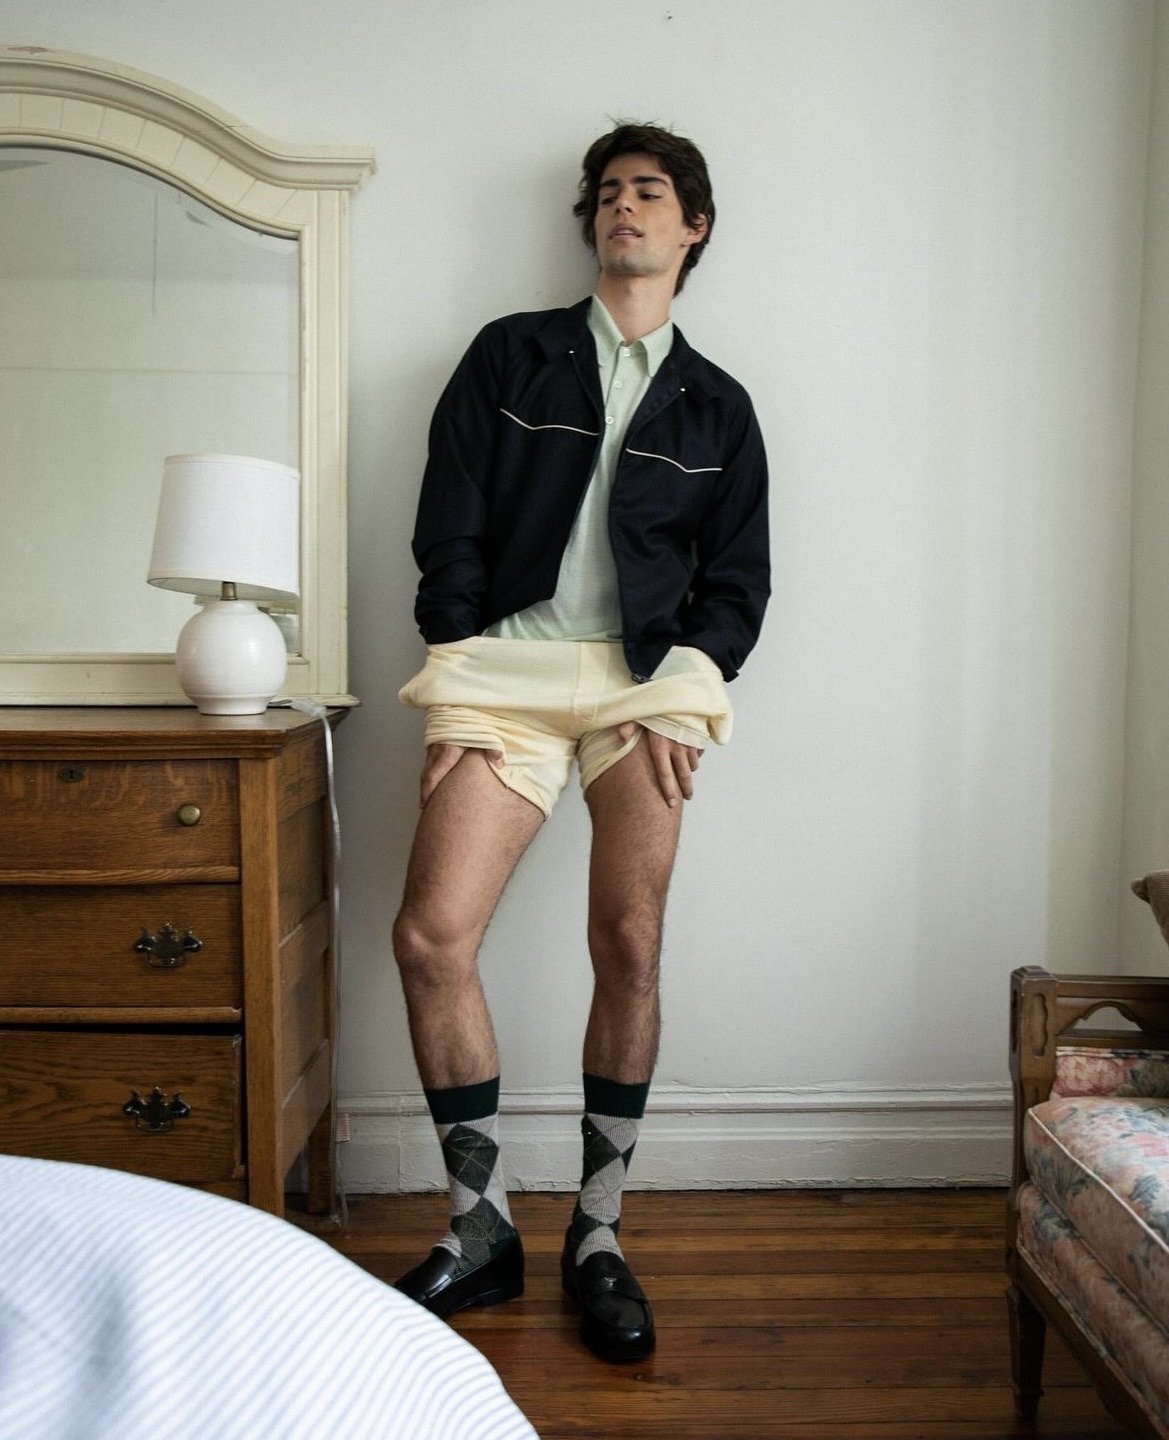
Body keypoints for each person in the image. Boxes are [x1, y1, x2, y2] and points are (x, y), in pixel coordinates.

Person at [392, 122, 770, 1363]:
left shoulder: (717, 405)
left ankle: (596, 1234)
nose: (624, 207)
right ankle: (479, 1225)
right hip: (501, 675)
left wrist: (683, 689)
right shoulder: (510, 355)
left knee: (630, 943)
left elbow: (737, 582)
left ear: (691, 226)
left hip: (639, 688)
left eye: (649, 192)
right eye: (608, 192)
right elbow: (447, 523)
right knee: (430, 937)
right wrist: (453, 685)